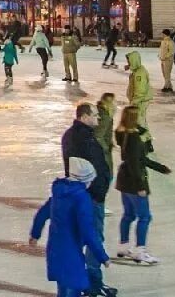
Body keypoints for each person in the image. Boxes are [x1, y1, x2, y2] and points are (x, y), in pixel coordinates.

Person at [28, 156, 111, 297]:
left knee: (63, 284)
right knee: (74, 286)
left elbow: (43, 212)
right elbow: (88, 231)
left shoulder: (59, 192)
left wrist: (35, 234)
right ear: (85, 180)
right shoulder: (81, 198)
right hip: (71, 250)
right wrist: (102, 256)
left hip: (55, 248)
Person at [60, 103, 116, 297]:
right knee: (93, 240)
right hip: (90, 198)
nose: (98, 119)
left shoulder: (72, 135)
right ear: (84, 117)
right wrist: (99, 193)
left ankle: (77, 285)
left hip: (78, 196)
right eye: (94, 115)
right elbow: (90, 170)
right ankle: (92, 283)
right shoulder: (84, 139)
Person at [115, 104, 171, 264]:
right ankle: (140, 250)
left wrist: (160, 168)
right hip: (134, 183)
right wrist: (140, 186)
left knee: (129, 214)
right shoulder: (133, 139)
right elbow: (136, 163)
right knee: (145, 217)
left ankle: (123, 246)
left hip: (124, 180)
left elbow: (139, 159)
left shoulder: (124, 134)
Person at [125, 50, 153, 131]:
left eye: (129, 61)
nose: (128, 62)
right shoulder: (137, 70)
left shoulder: (139, 74)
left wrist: (134, 102)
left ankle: (144, 140)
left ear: (134, 61)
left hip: (140, 101)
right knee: (140, 121)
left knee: (139, 122)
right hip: (139, 100)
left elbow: (140, 91)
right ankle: (145, 139)